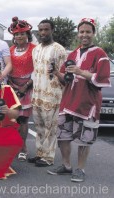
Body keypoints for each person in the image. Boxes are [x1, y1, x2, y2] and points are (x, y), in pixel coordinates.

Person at [47, 18, 111, 182]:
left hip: (87, 103)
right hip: (68, 102)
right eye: (81, 31)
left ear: (93, 33)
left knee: (85, 138)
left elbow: (102, 79)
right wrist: (55, 72)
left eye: (88, 32)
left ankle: (80, 169)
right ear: (78, 33)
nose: (84, 35)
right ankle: (67, 166)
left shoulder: (100, 55)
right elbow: (65, 80)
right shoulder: (73, 54)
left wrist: (80, 71)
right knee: (63, 136)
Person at [28, 19, 67, 167]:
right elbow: (34, 72)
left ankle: (48, 157)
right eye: (41, 30)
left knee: (51, 128)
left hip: (53, 94)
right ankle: (40, 153)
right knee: (39, 126)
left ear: (52, 30)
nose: (43, 32)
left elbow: (64, 75)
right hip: (37, 93)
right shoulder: (35, 49)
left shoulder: (59, 49)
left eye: (46, 29)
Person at [7, 17, 36, 161]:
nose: (19, 36)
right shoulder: (10, 50)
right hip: (12, 86)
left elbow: (38, 70)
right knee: (12, 118)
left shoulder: (34, 49)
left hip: (27, 86)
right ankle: (13, 145)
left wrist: (26, 86)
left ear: (27, 35)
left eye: (22, 34)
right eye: (16, 34)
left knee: (23, 119)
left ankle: (23, 147)